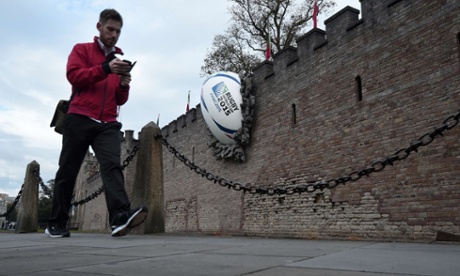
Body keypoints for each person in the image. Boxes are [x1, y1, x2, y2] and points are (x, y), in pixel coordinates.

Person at [46, 9, 147, 238]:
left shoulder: (118, 62)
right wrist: (104, 69)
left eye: (118, 31)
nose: (114, 35)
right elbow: (74, 76)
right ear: (99, 27)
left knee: (112, 166)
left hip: (107, 122)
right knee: (68, 171)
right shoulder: (81, 50)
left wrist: (124, 84)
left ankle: (119, 217)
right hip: (79, 117)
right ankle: (56, 222)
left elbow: (120, 100)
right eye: (110, 29)